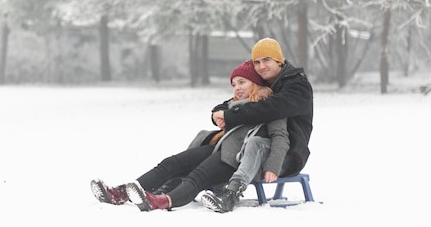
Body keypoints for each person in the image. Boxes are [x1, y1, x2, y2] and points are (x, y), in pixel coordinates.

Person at [90, 59, 282, 211]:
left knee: (196, 177)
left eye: (242, 82)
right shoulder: (233, 105)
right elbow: (220, 112)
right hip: (218, 149)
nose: (237, 88)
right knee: (170, 163)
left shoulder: (271, 107)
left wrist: (273, 166)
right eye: (234, 84)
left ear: (256, 83)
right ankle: (121, 193)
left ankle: (162, 201)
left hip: (235, 160)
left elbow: (280, 137)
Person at [201, 37, 313, 212]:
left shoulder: (297, 85)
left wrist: (230, 116)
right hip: (257, 148)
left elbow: (268, 109)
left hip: (289, 154)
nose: (261, 66)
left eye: (267, 60)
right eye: (257, 62)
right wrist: (220, 111)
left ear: (279, 60)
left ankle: (231, 196)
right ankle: (179, 183)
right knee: (213, 141)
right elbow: (236, 100)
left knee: (256, 143)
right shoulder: (265, 83)